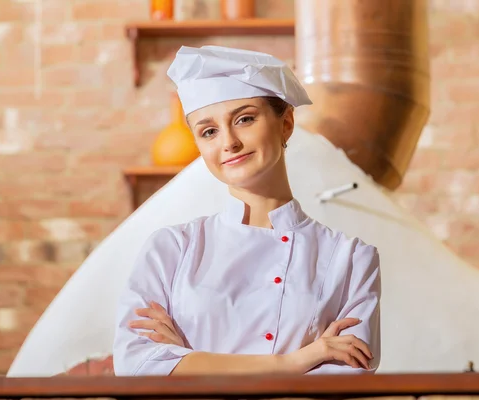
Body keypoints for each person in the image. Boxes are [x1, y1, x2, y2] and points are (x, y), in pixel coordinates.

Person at [112, 45, 381, 376]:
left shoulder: (351, 259)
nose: (229, 142)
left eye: (245, 119)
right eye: (209, 131)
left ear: (286, 124)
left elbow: (343, 383)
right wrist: (295, 361)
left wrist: (187, 362)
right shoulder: (171, 249)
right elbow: (137, 368)